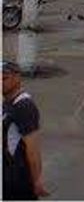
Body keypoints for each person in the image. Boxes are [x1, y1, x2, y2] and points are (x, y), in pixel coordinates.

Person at [3, 61, 46, 198]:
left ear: (18, 77)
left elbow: (32, 148)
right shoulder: (7, 102)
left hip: (17, 179)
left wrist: (37, 180)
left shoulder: (24, 106)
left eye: (4, 78)